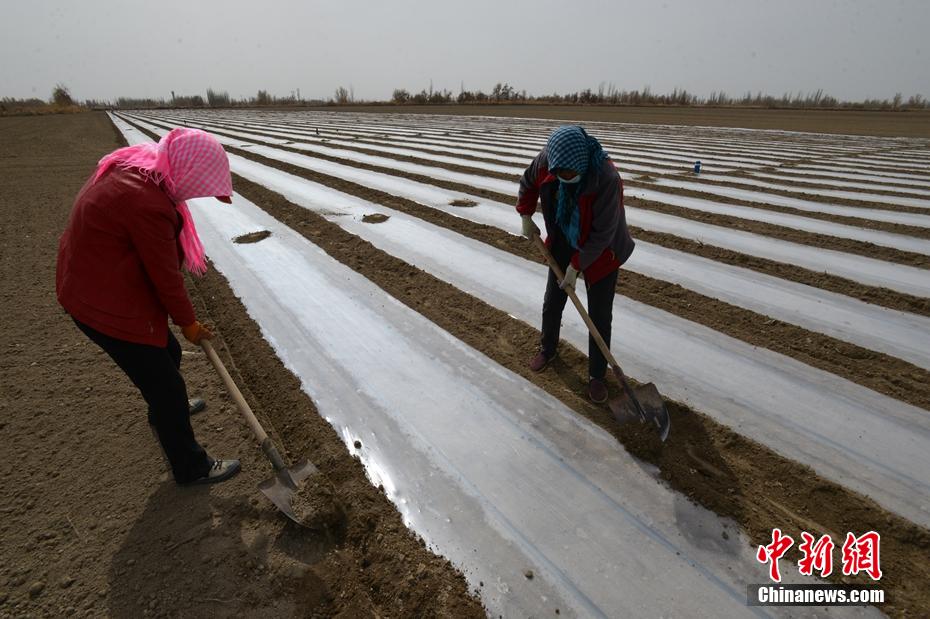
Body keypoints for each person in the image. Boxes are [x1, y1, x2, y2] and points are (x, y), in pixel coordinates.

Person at [56, 127, 240, 485]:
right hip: (101, 303)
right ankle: (192, 467)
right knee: (167, 386)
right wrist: (187, 322)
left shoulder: (139, 169)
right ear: (186, 172)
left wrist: (180, 326)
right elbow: (165, 277)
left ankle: (164, 413)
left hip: (94, 280)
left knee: (166, 353)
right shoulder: (147, 205)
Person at [516, 125, 635, 403]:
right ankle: (548, 348)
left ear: (580, 163)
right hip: (563, 237)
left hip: (603, 250)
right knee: (552, 302)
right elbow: (528, 182)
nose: (564, 178)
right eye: (560, 174)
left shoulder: (606, 178)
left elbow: (603, 233)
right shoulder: (548, 162)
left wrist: (577, 265)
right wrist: (525, 213)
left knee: (599, 315)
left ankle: (597, 375)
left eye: (569, 174)